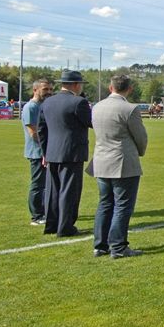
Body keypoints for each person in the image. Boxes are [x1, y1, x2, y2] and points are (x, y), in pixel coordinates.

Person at [89, 73, 148, 259]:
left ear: (110, 87)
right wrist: (139, 151)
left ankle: (100, 245)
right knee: (122, 206)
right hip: (122, 162)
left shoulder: (97, 107)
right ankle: (119, 246)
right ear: (129, 89)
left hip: (101, 161)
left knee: (105, 203)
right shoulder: (129, 109)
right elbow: (141, 137)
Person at [38, 70, 93, 237]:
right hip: (72, 152)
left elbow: (41, 130)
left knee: (53, 190)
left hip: (52, 152)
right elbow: (90, 122)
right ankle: (66, 227)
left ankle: (52, 225)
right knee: (69, 191)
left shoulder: (47, 102)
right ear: (76, 85)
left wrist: (45, 152)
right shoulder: (78, 102)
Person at [21, 78, 53, 225]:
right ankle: (36, 215)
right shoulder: (31, 107)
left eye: (50, 89)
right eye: (45, 89)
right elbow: (34, 133)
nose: (49, 92)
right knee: (38, 184)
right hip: (37, 153)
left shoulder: (42, 106)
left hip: (45, 152)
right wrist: (45, 150)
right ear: (35, 90)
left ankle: (45, 212)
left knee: (46, 185)